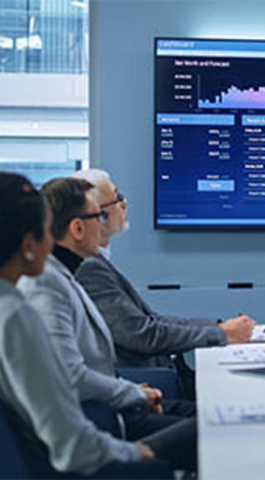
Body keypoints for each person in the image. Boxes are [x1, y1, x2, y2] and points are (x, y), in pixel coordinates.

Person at [0, 172, 173, 478]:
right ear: (29, 244)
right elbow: (70, 442)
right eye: (46, 231)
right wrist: (130, 451)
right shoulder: (16, 315)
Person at [72, 169, 256, 397]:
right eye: (117, 197)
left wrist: (218, 327)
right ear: (98, 215)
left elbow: (152, 321)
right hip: (149, 383)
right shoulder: (89, 268)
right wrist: (221, 334)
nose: (125, 203)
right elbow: (142, 334)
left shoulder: (97, 262)